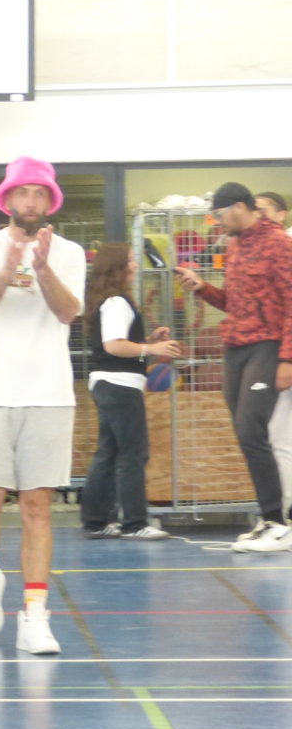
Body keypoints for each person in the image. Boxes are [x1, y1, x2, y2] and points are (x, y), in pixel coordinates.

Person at [0, 156, 86, 656]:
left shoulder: (69, 252)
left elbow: (69, 312)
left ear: (50, 202)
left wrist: (43, 268)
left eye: (40, 194)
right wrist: (9, 268)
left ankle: (35, 616)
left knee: (37, 508)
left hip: (49, 394)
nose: (31, 201)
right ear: (7, 198)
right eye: (23, 192)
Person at [175, 182, 292, 552]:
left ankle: (278, 523)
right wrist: (201, 288)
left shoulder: (279, 244)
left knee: (252, 429)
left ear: (240, 207)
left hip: (267, 346)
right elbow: (234, 303)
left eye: (220, 215)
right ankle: (269, 519)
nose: (217, 222)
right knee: (245, 435)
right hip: (236, 348)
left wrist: (288, 358)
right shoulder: (236, 246)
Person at [79, 245, 183, 540]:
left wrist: (147, 340)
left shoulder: (108, 301)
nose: (135, 264)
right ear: (118, 267)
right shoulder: (117, 302)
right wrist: (152, 347)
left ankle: (96, 520)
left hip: (109, 384)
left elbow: (118, 344)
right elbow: (114, 345)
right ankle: (134, 523)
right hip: (120, 386)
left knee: (109, 452)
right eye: (131, 260)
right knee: (133, 453)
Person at [254, 192, 292, 521]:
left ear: (282, 214)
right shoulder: (261, 249)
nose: (258, 216)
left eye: (263, 210)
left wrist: (286, 360)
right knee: (280, 437)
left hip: (285, 356)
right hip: (279, 354)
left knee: (280, 439)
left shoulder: (282, 245)